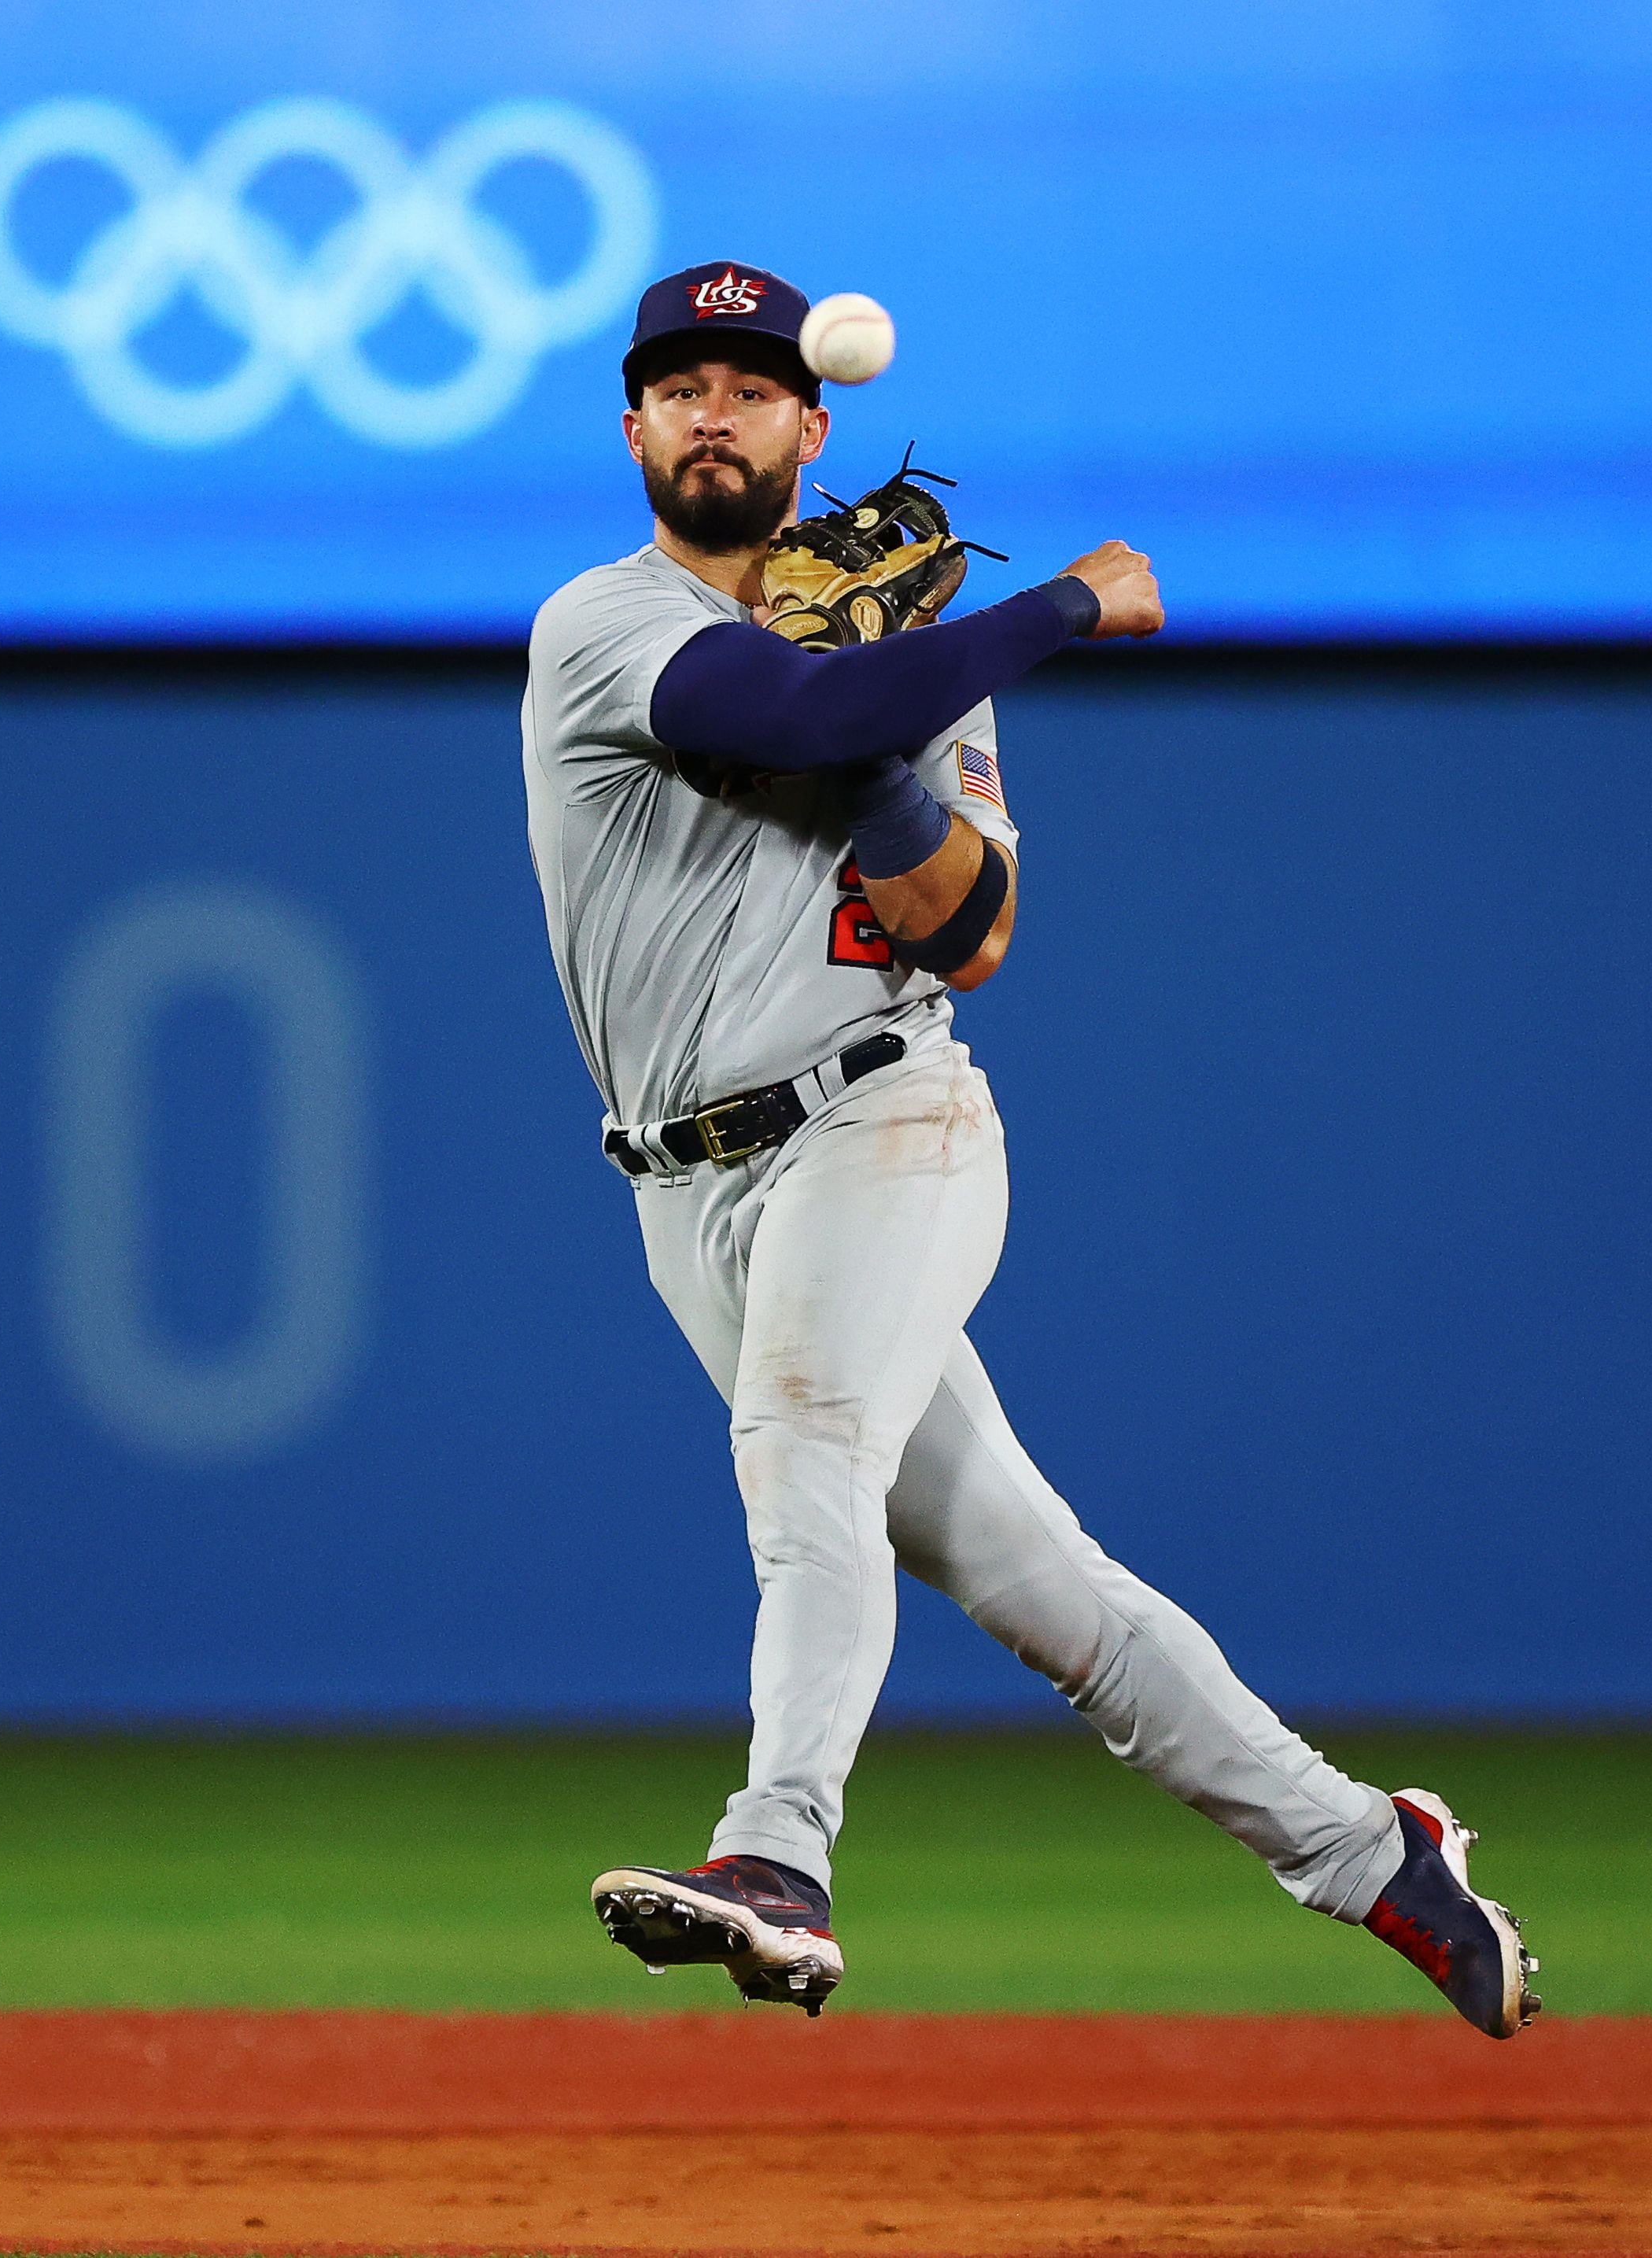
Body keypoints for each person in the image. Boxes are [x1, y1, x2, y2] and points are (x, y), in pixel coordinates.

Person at [519, 260, 1538, 2035]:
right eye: (678, 383)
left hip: (884, 1120)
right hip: (689, 1198)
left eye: (750, 387)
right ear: (630, 429)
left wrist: (896, 744)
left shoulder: (910, 671)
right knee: (1031, 1575)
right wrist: (1060, 603)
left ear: (812, 428)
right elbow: (789, 714)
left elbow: (970, 926)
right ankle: (1375, 1852)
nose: (712, 410)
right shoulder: (599, 624)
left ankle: (777, 1851)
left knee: (806, 1448)